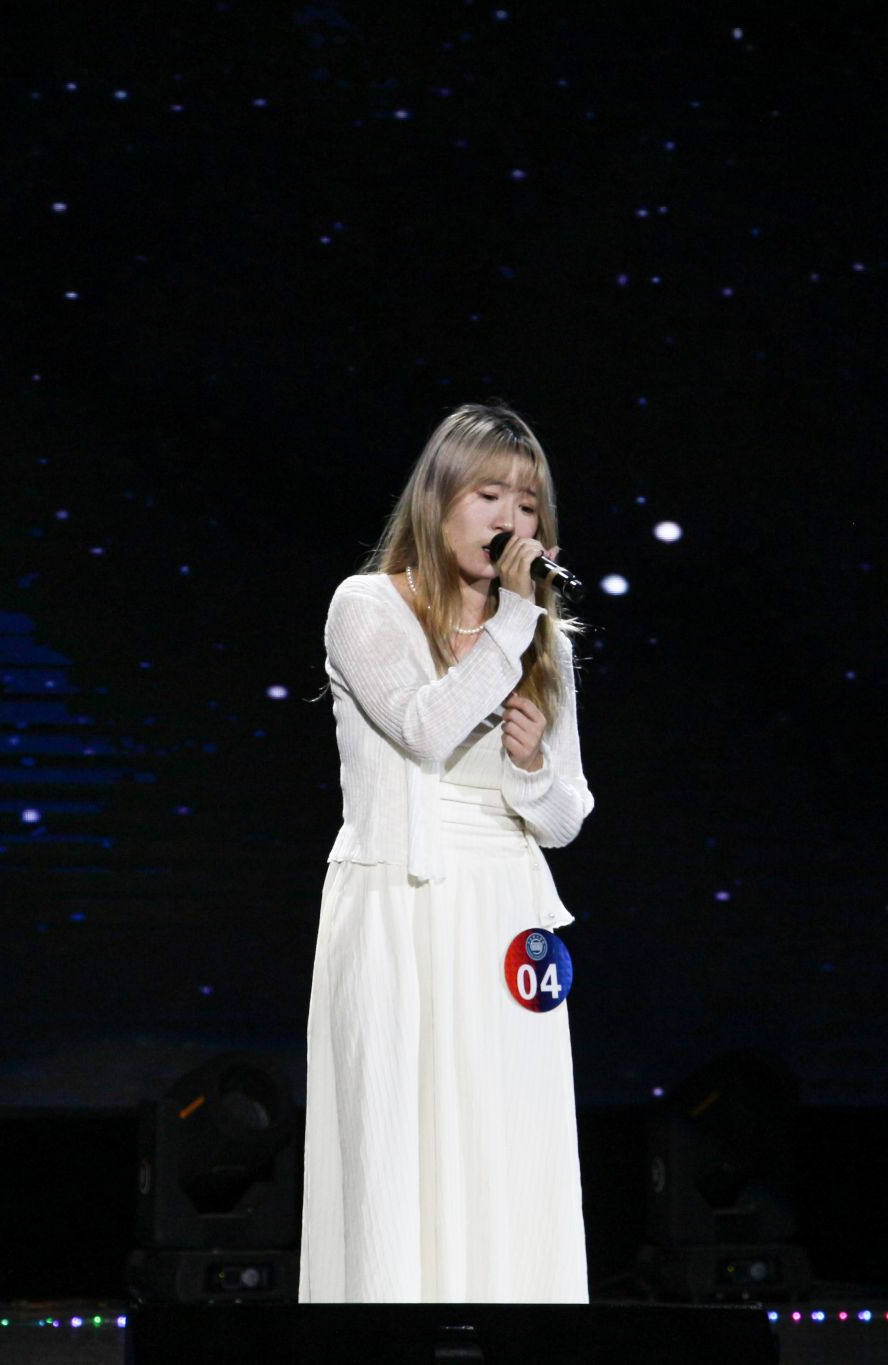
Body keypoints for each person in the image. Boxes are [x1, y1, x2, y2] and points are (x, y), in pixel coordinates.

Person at [297, 402, 595, 1303]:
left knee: (509, 1141)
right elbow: (424, 727)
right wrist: (514, 621)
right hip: (400, 898)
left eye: (529, 504)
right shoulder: (367, 606)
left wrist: (531, 767)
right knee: (397, 1137)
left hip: (506, 916)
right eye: (490, 495)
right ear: (439, 499)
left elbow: (565, 816)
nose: (511, 519)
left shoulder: (541, 642)